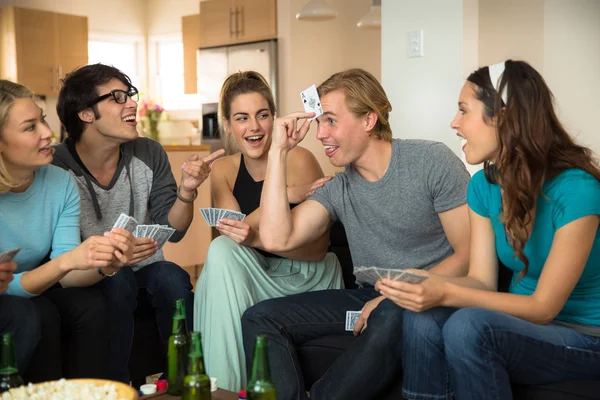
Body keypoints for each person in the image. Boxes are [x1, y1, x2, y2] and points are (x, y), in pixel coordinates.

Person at [241, 68, 471, 400]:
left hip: (434, 296)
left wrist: (395, 295)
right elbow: (278, 239)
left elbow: (467, 258)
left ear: (368, 120)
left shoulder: (430, 162)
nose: (320, 134)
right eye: (319, 122)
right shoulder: (339, 187)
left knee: (392, 313)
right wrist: (278, 153)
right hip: (373, 297)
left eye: (330, 120)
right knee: (260, 318)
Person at [383, 59, 600, 400]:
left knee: (468, 327)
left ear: (502, 116)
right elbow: (481, 280)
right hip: (519, 324)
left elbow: (544, 307)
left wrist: (445, 292)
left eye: (463, 111)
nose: (454, 123)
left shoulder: (576, 189)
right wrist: (427, 282)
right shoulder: (484, 186)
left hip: (585, 336)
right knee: (422, 318)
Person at [52, 63, 223, 383]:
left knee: (173, 276)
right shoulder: (55, 167)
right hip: (90, 275)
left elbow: (174, 230)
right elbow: (63, 255)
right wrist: (112, 260)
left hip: (145, 269)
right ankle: (118, 387)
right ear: (86, 114)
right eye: (117, 97)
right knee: (118, 281)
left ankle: (185, 380)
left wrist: (187, 190)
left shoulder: (148, 151)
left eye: (129, 94)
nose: (131, 103)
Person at [193, 71, 343, 392]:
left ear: (275, 118)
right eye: (241, 118)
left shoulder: (299, 158)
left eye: (262, 115)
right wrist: (286, 194)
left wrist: (254, 235)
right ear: (228, 124)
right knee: (220, 252)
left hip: (306, 271)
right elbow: (234, 235)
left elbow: (316, 249)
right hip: (254, 271)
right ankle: (228, 391)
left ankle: (223, 390)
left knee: (218, 259)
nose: (254, 127)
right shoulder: (223, 170)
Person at [0, 79, 135, 381]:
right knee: (36, 314)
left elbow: (70, 274)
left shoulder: (60, 182)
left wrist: (106, 264)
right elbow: (11, 286)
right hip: (12, 296)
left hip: (35, 287)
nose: (48, 133)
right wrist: (65, 262)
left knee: (89, 305)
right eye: (29, 127)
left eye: (43, 120)